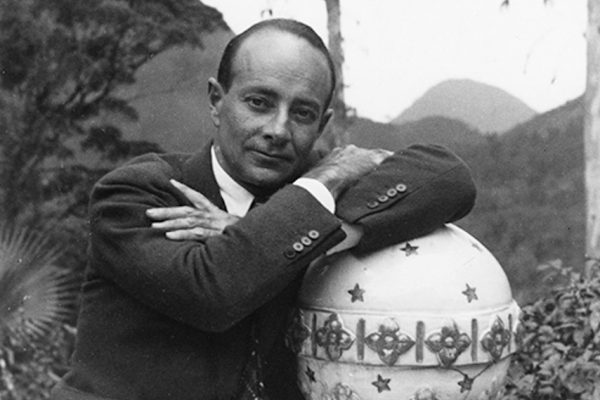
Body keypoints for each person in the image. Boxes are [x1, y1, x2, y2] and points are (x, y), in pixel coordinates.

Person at [51, 19, 476, 400]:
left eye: (302, 113)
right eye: (259, 102)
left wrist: (320, 234)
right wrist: (319, 192)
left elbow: (448, 177)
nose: (278, 129)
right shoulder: (140, 192)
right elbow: (213, 293)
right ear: (217, 101)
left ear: (322, 125)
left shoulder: (313, 196)